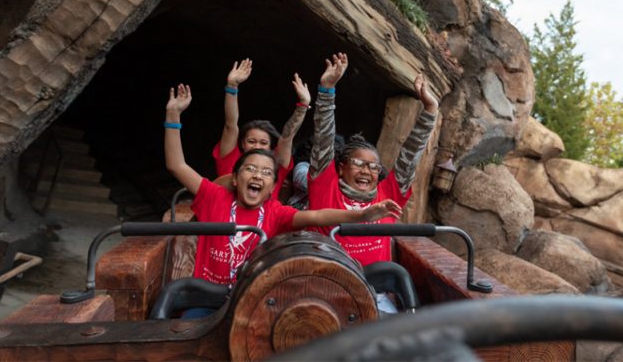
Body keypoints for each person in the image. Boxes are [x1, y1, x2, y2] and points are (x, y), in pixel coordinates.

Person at [164, 83, 403, 317]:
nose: (258, 175)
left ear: (273, 187)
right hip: (207, 298)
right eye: (250, 169)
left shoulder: (275, 212)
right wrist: (173, 116)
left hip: (256, 299)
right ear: (235, 178)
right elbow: (176, 166)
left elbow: (319, 215)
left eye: (267, 172)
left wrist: (363, 215)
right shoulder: (214, 196)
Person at [307, 53, 438, 268]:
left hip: (377, 289)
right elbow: (323, 138)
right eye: (358, 164)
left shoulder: (388, 194)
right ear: (341, 168)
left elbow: (410, 154)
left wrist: (430, 111)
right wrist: (327, 90)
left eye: (374, 167)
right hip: (327, 285)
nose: (367, 171)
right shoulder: (325, 186)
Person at [213, 59, 311, 199]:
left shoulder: (276, 164)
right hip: (225, 219)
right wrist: (232, 86)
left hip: (266, 220)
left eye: (263, 143)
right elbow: (230, 125)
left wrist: (303, 106)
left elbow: (287, 137)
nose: (256, 146)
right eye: (251, 141)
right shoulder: (230, 158)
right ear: (242, 143)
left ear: (271, 147)